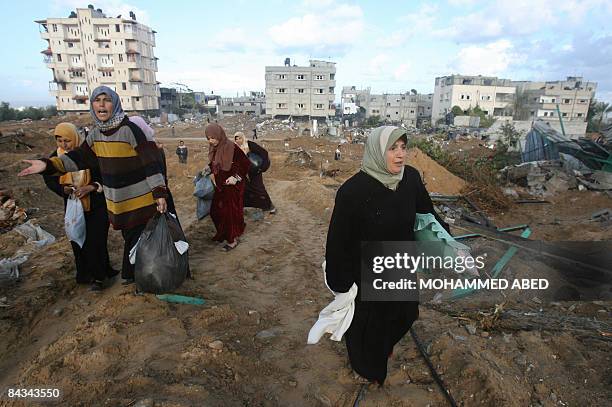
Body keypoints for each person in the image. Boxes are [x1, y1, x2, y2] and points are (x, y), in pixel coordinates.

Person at [324, 126, 449, 385]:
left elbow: (428, 216)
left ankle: (380, 350)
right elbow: (338, 241)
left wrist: (446, 242)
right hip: (367, 269)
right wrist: (342, 284)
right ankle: (368, 371)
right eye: (393, 148)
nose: (400, 155)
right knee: (370, 327)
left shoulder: (410, 179)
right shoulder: (353, 191)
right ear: (377, 151)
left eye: (403, 148)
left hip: (400, 261)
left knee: (406, 314)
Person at [19, 86, 168, 285]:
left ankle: (140, 280)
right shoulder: (96, 134)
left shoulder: (130, 130)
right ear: (92, 106)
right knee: (132, 239)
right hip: (118, 204)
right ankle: (139, 277)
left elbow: (151, 162)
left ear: (114, 104)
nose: (102, 104)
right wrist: (47, 164)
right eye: (97, 100)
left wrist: (159, 192)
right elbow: (77, 159)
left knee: (139, 240)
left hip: (140, 200)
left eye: (106, 100)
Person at [43, 123, 116, 291]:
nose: (64, 145)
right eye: (60, 140)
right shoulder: (56, 158)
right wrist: (63, 189)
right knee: (78, 241)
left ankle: (101, 276)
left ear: (75, 138)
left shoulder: (87, 154)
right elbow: (50, 179)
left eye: (67, 140)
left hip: (96, 206)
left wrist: (90, 187)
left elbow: (103, 174)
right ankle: (85, 274)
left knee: (96, 240)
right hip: (74, 207)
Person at [206, 123, 250, 251]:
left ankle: (232, 240)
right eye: (208, 138)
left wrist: (235, 178)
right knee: (215, 211)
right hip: (220, 186)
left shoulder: (232, 147)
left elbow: (245, 164)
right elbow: (214, 164)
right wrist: (210, 172)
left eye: (213, 137)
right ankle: (225, 233)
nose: (211, 141)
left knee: (229, 213)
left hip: (233, 186)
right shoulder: (214, 148)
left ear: (219, 135)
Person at [234, 132, 276, 213]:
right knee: (245, 188)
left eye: (240, 138)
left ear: (243, 137)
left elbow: (264, 153)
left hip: (255, 171)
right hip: (243, 172)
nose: (238, 140)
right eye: (236, 139)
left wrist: (262, 167)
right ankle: (250, 206)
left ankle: (269, 206)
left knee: (259, 188)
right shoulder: (236, 148)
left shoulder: (250, 144)